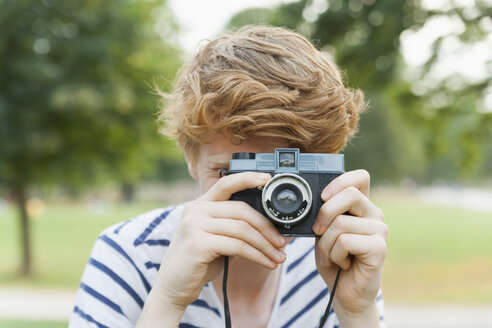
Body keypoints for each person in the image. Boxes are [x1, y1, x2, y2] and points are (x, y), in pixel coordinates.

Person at [69, 25, 387, 328]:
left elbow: (356, 305)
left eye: (288, 177)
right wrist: (166, 300)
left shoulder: (335, 257)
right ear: (191, 159)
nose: (270, 199)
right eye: (227, 173)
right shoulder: (131, 254)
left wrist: (357, 311)